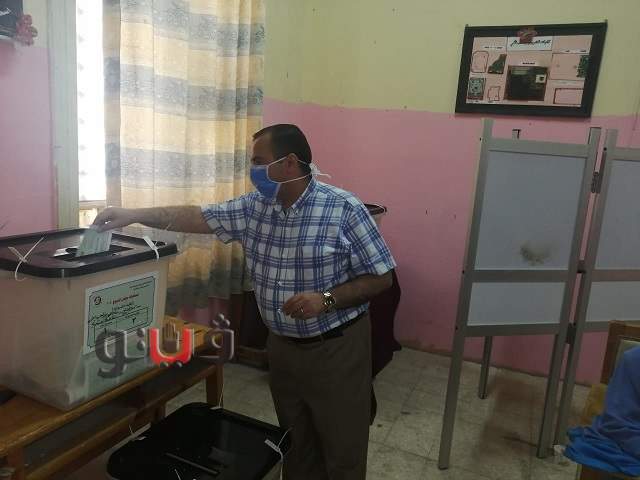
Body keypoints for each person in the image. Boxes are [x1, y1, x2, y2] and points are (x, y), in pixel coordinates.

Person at [93, 124, 396, 479]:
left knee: (342, 448)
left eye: (258, 161)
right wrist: (134, 214)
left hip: (335, 349)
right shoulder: (254, 208)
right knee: (295, 443)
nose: (253, 171)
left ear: (289, 162)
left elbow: (381, 277)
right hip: (282, 349)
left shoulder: (344, 209)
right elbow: (197, 216)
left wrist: (326, 299)